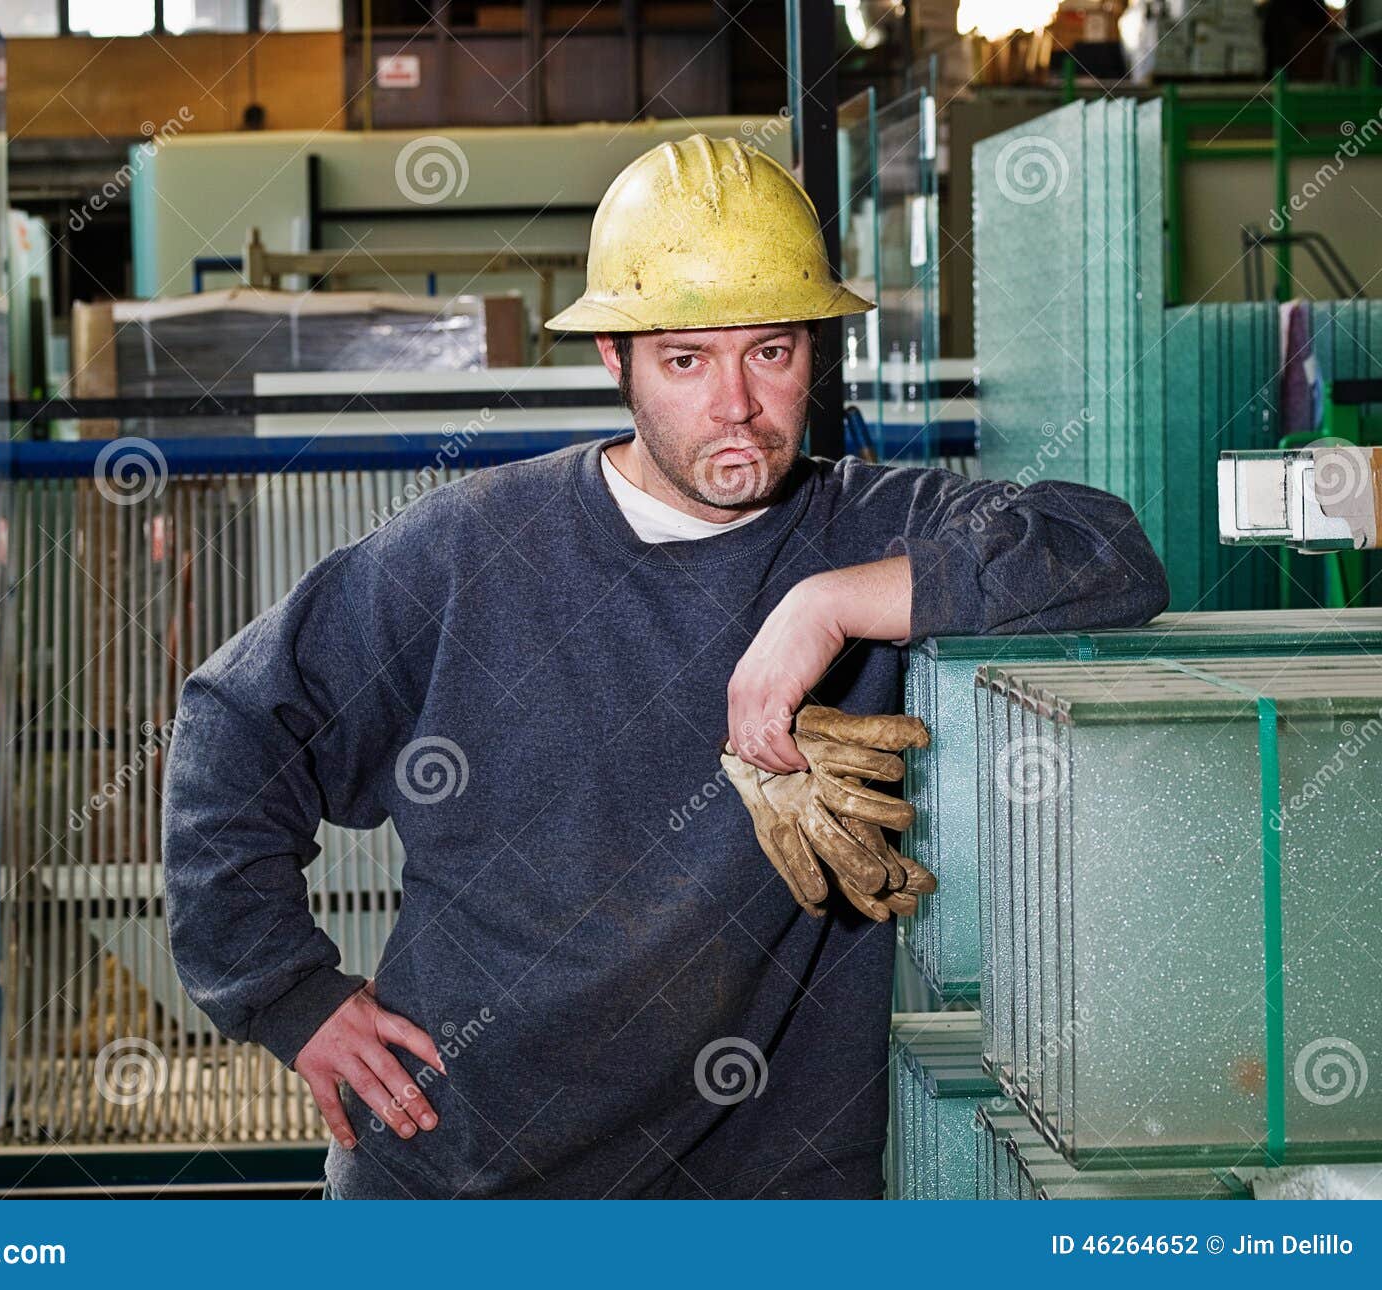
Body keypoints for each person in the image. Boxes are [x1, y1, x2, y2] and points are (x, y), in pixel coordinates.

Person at [161, 133, 1169, 1199]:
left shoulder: (870, 527)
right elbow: (235, 728)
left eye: (770, 352)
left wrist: (830, 605)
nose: (736, 404)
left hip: (763, 1192)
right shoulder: (471, 551)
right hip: (461, 1177)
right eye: (687, 360)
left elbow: (1108, 551)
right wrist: (288, 996)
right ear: (617, 358)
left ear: (812, 352)